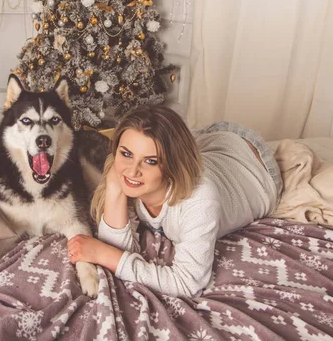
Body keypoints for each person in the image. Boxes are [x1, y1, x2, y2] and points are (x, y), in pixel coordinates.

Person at [67, 105, 282, 298]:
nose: (132, 171)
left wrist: (103, 254)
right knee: (166, 145)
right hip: (206, 143)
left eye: (150, 161)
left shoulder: (200, 200)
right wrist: (114, 188)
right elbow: (117, 246)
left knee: (177, 152)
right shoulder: (123, 172)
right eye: (126, 154)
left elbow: (189, 282)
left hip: (253, 161)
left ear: (171, 166)